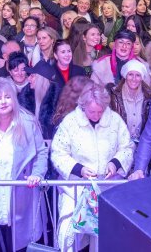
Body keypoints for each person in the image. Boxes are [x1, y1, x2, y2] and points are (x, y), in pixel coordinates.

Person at [50, 81, 133, 251]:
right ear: (83, 107)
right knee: (68, 234)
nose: (96, 116)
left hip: (106, 190)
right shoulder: (70, 122)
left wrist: (115, 163)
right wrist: (78, 169)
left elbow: (127, 146)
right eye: (92, 111)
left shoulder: (115, 121)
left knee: (105, 238)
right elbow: (58, 152)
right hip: (75, 190)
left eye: (100, 112)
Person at [0, 80, 49, 252]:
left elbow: (41, 153)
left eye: (7, 97)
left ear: (14, 100)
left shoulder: (28, 123)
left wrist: (38, 174)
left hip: (23, 197)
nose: (4, 102)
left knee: (20, 244)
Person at [109, 59, 151, 141]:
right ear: (125, 76)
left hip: (142, 144)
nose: (134, 79)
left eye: (138, 75)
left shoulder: (150, 97)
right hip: (119, 144)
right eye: (130, 74)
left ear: (142, 78)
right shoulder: (113, 95)